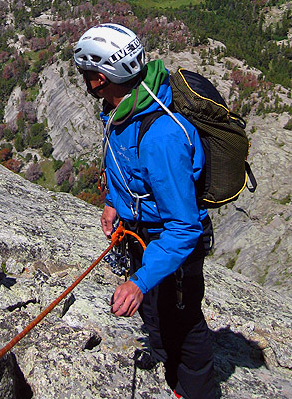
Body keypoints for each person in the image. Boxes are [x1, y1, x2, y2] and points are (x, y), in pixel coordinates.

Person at [73, 23, 216, 399]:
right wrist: (112, 205)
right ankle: (166, 361)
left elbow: (184, 227)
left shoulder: (160, 136)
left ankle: (194, 390)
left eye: (86, 74)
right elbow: (126, 167)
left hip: (171, 240)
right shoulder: (123, 107)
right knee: (156, 310)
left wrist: (138, 282)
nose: (84, 82)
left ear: (100, 79)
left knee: (183, 323)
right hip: (142, 231)